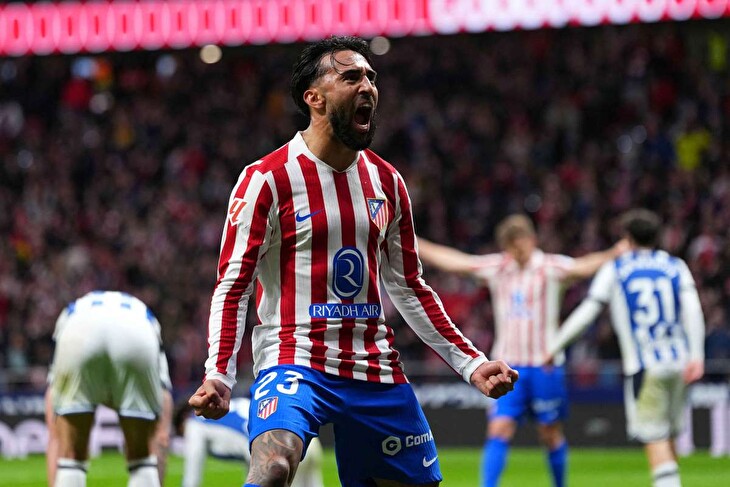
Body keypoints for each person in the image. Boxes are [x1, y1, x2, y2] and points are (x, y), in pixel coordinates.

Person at [188, 35, 519, 487]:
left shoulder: (388, 182)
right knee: (274, 468)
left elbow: (409, 286)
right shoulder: (267, 179)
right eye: (350, 77)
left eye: (370, 77)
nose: (367, 86)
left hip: (373, 366)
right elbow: (234, 285)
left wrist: (471, 363)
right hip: (294, 359)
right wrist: (219, 374)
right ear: (315, 98)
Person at [417, 214, 627, 487]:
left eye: (520, 245)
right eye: (511, 247)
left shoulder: (551, 268)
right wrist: (414, 241)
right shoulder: (499, 267)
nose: (517, 252)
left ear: (532, 239)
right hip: (508, 365)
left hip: (544, 364)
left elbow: (584, 266)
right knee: (499, 428)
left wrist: (614, 252)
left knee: (550, 433)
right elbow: (458, 262)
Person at [545, 209, 705, 487]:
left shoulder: (617, 268)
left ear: (627, 238)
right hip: (680, 362)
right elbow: (693, 310)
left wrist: (554, 346)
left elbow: (588, 311)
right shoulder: (675, 266)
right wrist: (697, 355)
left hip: (645, 366)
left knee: (655, 439)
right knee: (668, 437)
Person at [46, 290, 173, 487]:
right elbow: (161, 436)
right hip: (136, 330)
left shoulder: (74, 310)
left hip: (78, 328)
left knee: (71, 454)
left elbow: (55, 437)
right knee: (142, 456)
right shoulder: (145, 316)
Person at [177, 397, 324, 487]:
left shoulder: (194, 424)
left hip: (278, 456)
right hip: (305, 440)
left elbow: (192, 475)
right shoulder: (234, 403)